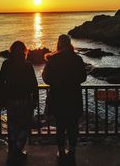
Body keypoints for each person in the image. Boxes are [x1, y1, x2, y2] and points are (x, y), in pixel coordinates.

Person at [42, 34, 87, 165]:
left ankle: (61, 151)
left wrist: (57, 82)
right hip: (74, 98)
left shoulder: (53, 59)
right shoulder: (77, 59)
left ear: (59, 44)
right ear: (70, 43)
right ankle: (72, 151)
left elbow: (46, 78)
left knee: (60, 127)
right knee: (73, 126)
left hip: (58, 98)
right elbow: (83, 77)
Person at [0, 41, 38, 166]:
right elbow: (34, 85)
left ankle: (13, 150)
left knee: (12, 126)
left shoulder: (6, 64)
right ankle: (18, 150)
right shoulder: (27, 66)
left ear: (11, 51)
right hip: (25, 101)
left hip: (11, 101)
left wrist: (0, 100)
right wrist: (35, 100)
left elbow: (0, 83)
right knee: (24, 126)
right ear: (24, 51)